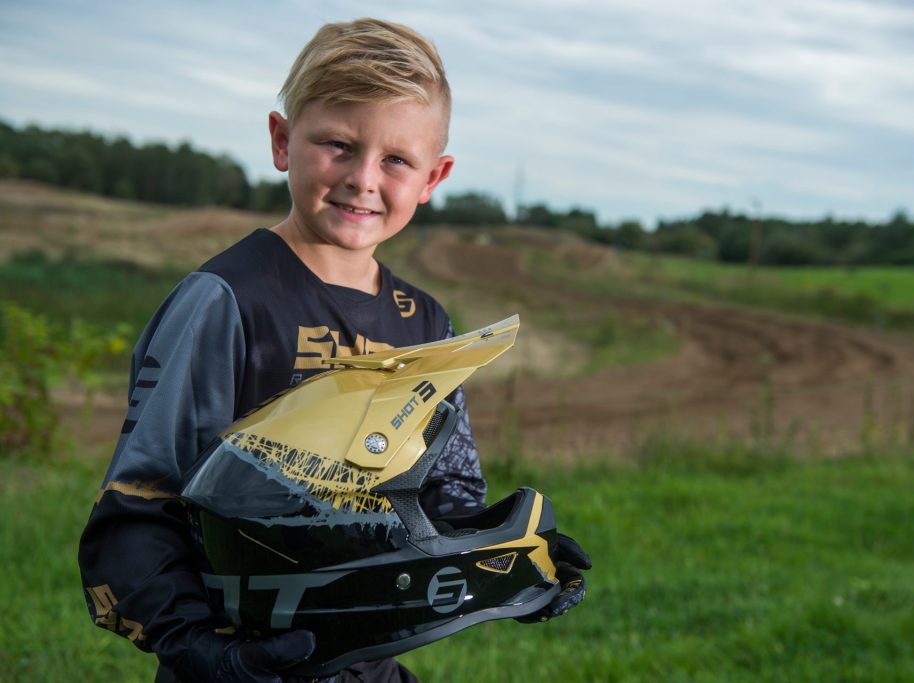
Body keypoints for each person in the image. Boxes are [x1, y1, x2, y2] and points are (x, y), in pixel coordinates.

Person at [78, 17, 589, 683]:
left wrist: (508, 561)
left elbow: (440, 493)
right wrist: (198, 647)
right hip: (237, 661)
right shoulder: (227, 297)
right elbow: (139, 500)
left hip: (364, 665)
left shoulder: (425, 322)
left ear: (434, 177)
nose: (363, 179)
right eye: (339, 146)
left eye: (396, 160)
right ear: (283, 140)